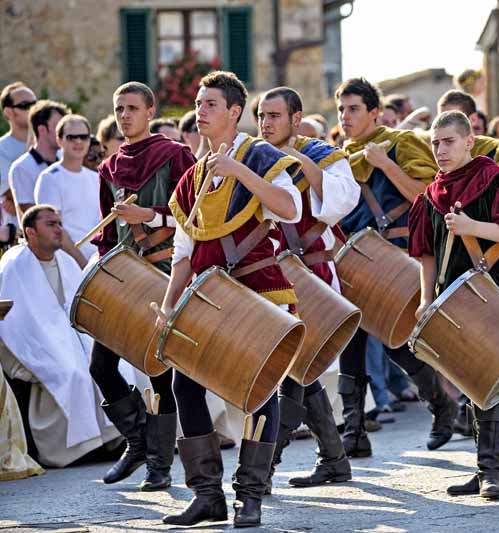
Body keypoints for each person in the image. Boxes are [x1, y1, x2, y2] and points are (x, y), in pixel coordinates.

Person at [162, 70, 303, 527]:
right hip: (207, 298)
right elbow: (183, 255)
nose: (200, 112)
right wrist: (167, 307)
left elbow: (290, 209)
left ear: (234, 112)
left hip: (258, 292)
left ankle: (251, 495)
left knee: (260, 389)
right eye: (198, 104)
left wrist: (239, 170)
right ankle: (207, 495)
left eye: (210, 105)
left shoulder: (260, 156)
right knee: (185, 386)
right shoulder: (191, 176)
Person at [409, 110, 499, 499]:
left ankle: (490, 469)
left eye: (448, 141)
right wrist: (425, 299)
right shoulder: (430, 198)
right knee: (472, 380)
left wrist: (473, 228)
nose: (440, 150)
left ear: (469, 141)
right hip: (454, 296)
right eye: (435, 143)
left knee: (496, 379)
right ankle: (491, 469)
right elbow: (426, 254)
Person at [335, 77, 457, 457]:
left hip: (396, 252)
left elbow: (427, 195)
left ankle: (442, 405)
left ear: (375, 112)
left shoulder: (402, 143)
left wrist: (384, 164)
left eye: (354, 109)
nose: (345, 116)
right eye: (341, 109)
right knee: (349, 343)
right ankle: (354, 433)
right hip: (356, 259)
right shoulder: (338, 156)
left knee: (396, 341)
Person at [88, 81, 196, 492]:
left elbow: (190, 217)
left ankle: (159, 465)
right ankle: (137, 441)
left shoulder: (174, 155)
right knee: (101, 366)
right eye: (119, 109)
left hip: (163, 272)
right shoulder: (109, 168)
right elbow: (107, 235)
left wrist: (147, 215)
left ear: (150, 111)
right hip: (123, 276)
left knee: (157, 372)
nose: (125, 115)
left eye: (133, 107)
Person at [257, 86, 359, 492]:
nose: (266, 124)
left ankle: (263, 470)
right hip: (270, 276)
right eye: (262, 116)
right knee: (296, 372)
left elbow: (340, 202)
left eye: (275, 116)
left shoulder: (322, 155)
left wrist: (296, 161)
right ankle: (333, 460)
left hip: (311, 276)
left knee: (295, 372)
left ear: (296, 119)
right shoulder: (252, 159)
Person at [0, 205, 125, 467]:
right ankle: (72, 449)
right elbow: (17, 321)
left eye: (60, 223)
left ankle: (110, 439)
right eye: (51, 224)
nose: (60, 230)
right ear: (30, 232)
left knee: (113, 366)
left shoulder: (66, 261)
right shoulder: (14, 264)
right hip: (34, 344)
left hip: (71, 336)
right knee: (71, 373)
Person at [34, 114, 100, 264]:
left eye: (83, 137)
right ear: (59, 140)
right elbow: (53, 230)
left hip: (96, 262)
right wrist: (82, 264)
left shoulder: (95, 178)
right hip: (66, 263)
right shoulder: (49, 178)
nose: (78, 141)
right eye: (71, 137)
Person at [8, 100, 68, 224]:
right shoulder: (21, 167)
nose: (64, 133)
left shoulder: (66, 159)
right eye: (59, 127)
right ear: (42, 130)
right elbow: (32, 215)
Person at [437, 90, 499, 167]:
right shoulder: (432, 153)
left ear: (473, 119)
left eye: (453, 120)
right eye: (441, 120)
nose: (445, 126)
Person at [0, 82, 36, 227]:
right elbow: (10, 193)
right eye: (25, 105)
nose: (33, 109)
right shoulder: (1, 148)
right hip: (17, 232)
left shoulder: (51, 143)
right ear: (9, 112)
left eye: (35, 103)